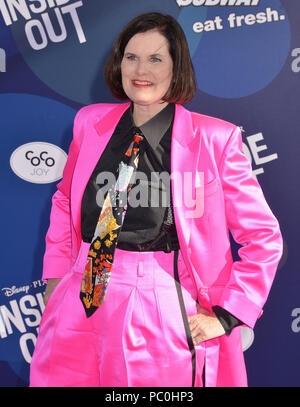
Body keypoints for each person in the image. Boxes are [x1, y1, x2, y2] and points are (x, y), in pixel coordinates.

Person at [29, 12, 283, 387]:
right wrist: (56, 280)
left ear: (176, 67)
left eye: (155, 58)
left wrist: (228, 315)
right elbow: (66, 200)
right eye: (131, 57)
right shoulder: (90, 122)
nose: (140, 70)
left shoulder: (215, 140)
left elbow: (263, 237)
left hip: (158, 295)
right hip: (84, 285)